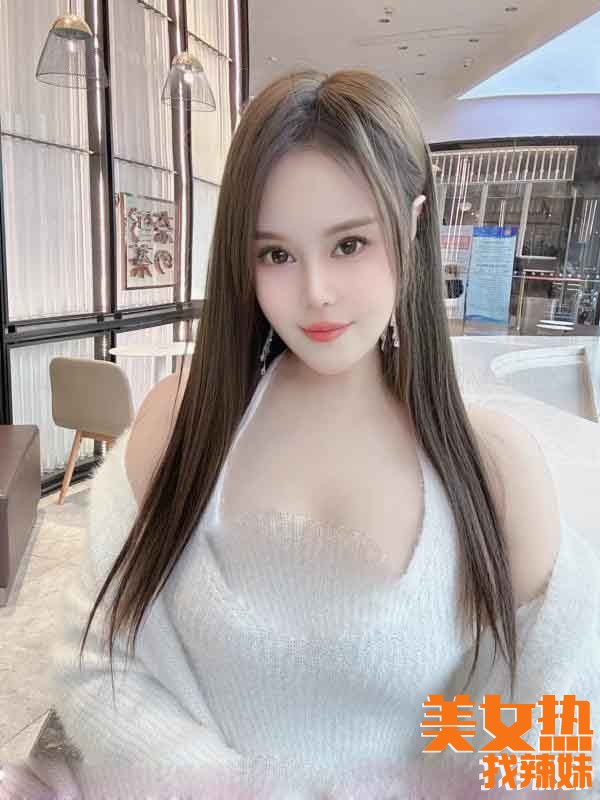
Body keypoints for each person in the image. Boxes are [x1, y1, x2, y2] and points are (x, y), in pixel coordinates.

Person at [43, 69, 600, 799]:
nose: (315, 293)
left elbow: (555, 726)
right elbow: (95, 661)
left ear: (413, 226)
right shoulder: (183, 426)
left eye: (349, 244)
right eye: (276, 254)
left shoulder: (492, 468)